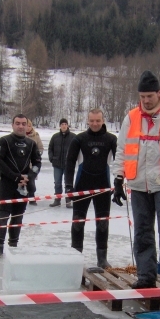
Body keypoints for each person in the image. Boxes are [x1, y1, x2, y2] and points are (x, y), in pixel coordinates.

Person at [111, 70, 160, 288]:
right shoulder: (132, 117)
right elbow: (122, 150)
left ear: (159, 93)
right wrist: (118, 179)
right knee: (142, 233)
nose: (145, 101)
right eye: (142, 97)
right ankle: (146, 276)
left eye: (149, 97)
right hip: (138, 184)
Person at [64, 109, 118, 268]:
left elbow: (120, 163)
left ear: (103, 120)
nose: (95, 123)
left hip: (103, 187)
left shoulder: (111, 139)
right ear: (87, 120)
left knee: (103, 224)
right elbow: (70, 164)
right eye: (92, 120)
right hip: (82, 185)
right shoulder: (79, 139)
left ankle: (102, 258)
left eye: (98, 120)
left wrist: (119, 183)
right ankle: (76, 257)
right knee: (78, 223)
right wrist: (68, 186)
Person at [0, 114, 42, 258]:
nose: (20, 126)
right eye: (18, 123)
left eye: (23, 123)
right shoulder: (4, 141)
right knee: (3, 215)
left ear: (27, 126)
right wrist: (14, 176)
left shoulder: (31, 144)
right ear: (13, 125)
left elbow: (37, 163)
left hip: (24, 185)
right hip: (6, 184)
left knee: (18, 217)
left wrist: (29, 177)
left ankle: (13, 245)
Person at [48, 118, 76, 208]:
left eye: (65, 124)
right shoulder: (55, 137)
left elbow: (77, 149)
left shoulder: (73, 137)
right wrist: (52, 158)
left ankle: (68, 200)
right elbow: (50, 148)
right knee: (57, 183)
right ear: (60, 126)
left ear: (67, 125)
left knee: (68, 183)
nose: (64, 126)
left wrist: (73, 160)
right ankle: (57, 199)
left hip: (68, 165)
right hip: (57, 164)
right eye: (62, 124)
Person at [25, 118, 43, 206]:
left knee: (31, 180)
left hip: (32, 164)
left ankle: (32, 198)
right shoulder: (20, 136)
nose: (28, 128)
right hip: (21, 163)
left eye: (29, 126)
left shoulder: (36, 136)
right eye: (26, 126)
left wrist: (36, 155)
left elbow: (40, 148)